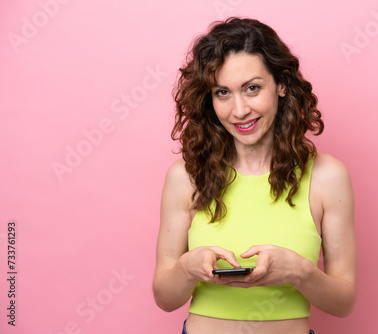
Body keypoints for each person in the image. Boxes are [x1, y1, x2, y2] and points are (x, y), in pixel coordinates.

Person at [153, 17, 356, 334]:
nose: (239, 110)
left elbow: (344, 303)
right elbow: (165, 297)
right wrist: (187, 268)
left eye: (252, 88)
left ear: (282, 84)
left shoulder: (327, 176)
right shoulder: (185, 177)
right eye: (222, 92)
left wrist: (299, 272)